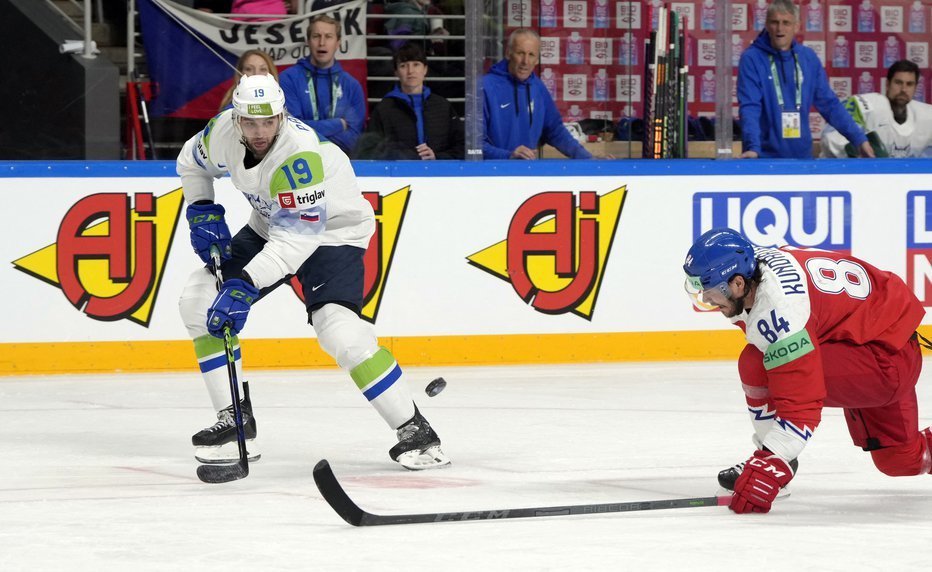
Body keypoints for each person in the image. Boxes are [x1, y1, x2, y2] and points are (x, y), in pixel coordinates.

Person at [175, 73, 450, 471]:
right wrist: (200, 207)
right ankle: (236, 423)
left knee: (339, 330)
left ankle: (415, 431)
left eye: (268, 121)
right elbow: (190, 162)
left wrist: (245, 284)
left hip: (333, 234)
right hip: (271, 224)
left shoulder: (300, 155)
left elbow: (297, 243)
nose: (259, 132)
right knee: (198, 302)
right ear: (236, 119)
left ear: (281, 116)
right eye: (250, 123)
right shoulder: (221, 131)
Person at [683, 228, 931, 514]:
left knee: (757, 364)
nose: (708, 300)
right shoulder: (755, 269)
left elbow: (801, 404)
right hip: (878, 339)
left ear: (738, 283)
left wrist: (770, 463)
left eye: (710, 291)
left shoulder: (780, 313)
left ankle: (778, 460)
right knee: (901, 460)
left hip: (883, 361)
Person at [736, 0, 873, 159]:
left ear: (797, 26)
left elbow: (829, 104)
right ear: (766, 24)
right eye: (775, 22)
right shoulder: (752, 58)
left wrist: (858, 139)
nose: (780, 29)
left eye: (786, 23)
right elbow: (750, 107)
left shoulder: (808, 58)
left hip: (802, 159)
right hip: (763, 158)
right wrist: (753, 147)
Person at [482, 28, 593, 160]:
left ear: (537, 60)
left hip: (529, 173)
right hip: (491, 175)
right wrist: (508, 156)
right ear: (508, 53)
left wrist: (589, 159)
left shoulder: (538, 87)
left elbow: (555, 131)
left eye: (531, 55)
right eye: (520, 53)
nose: (525, 61)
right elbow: (473, 145)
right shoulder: (485, 87)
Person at [356, 43, 464, 160]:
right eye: (403, 66)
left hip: (439, 176)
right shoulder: (384, 110)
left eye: (416, 64)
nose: (410, 71)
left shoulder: (443, 107)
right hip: (398, 176)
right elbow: (370, 151)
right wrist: (405, 157)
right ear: (396, 72)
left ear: (425, 69)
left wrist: (437, 157)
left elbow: (462, 147)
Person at [278, 15, 365, 155]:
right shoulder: (288, 79)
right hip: (299, 159)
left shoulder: (352, 86)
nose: (322, 42)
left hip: (341, 163)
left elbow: (353, 139)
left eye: (329, 36)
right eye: (316, 36)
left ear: (338, 43)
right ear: (308, 41)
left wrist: (310, 131)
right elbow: (291, 130)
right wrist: (338, 124)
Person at [820, 60, 932, 158]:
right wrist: (856, 150)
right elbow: (830, 135)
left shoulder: (926, 115)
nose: (903, 89)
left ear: (916, 87)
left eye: (909, 84)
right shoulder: (866, 106)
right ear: (888, 84)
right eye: (898, 83)